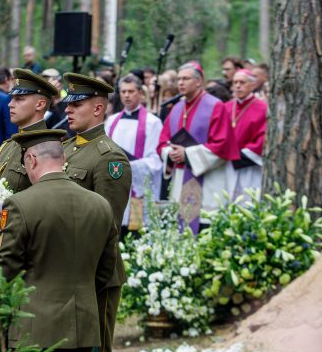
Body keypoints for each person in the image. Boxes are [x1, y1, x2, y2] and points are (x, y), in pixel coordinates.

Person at [0, 129, 117, 352]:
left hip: (32, 328)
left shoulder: (21, 204)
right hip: (83, 326)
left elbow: (2, 272)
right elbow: (106, 272)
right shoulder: (100, 205)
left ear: (32, 160)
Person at [63, 72, 132, 352]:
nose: (68, 110)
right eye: (68, 103)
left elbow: (107, 225)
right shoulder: (66, 147)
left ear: (99, 107)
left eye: (76, 104)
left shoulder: (109, 158)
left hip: (95, 274)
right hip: (66, 273)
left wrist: (85, 273)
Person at [157, 62, 239, 233]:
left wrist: (186, 154)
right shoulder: (177, 108)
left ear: (199, 81)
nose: (180, 83)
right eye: (179, 79)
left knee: (205, 229)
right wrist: (170, 154)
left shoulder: (215, 106)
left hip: (208, 183)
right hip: (180, 181)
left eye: (185, 79)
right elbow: (162, 142)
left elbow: (222, 145)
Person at [105, 74, 163, 234]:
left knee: (136, 234)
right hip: (116, 184)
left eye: (131, 91)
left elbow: (155, 160)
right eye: (123, 92)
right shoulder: (111, 121)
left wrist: (129, 165)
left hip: (138, 189)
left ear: (140, 93)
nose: (126, 95)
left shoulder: (152, 122)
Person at [0, 69, 58, 193]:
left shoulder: (48, 149)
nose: (10, 104)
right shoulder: (7, 145)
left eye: (19, 99)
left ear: (40, 104)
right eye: (12, 98)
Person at [224, 69, 268, 199]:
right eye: (235, 82)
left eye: (242, 82)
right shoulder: (225, 107)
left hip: (249, 167)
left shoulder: (263, 108)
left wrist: (239, 156)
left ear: (253, 85)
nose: (238, 86)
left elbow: (263, 138)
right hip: (225, 166)